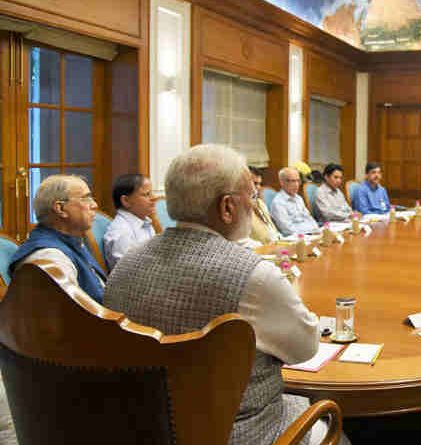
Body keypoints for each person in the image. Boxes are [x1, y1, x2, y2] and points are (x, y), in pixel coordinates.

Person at [103, 145, 336, 445]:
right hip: (237, 433)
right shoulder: (255, 275)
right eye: (251, 197)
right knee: (336, 429)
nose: (253, 207)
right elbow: (305, 348)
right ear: (227, 207)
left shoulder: (124, 266)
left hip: (141, 429)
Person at [8, 175, 106, 303]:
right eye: (85, 198)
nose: (94, 205)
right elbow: (68, 314)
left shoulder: (73, 241)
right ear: (60, 208)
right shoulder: (50, 257)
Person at [103, 174, 157, 269]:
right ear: (126, 201)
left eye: (151, 193)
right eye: (146, 194)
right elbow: (127, 273)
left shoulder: (145, 222)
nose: (154, 198)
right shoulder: (121, 232)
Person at [269, 167, 320, 236]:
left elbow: (309, 218)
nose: (296, 185)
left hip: (309, 234)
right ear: (282, 182)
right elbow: (288, 230)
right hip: (294, 239)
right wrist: (310, 231)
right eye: (292, 181)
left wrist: (315, 229)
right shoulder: (278, 202)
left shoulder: (298, 198)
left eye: (298, 181)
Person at [248, 166, 280, 244]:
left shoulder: (260, 203)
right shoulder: (238, 207)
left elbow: (271, 228)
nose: (258, 187)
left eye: (260, 184)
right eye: (255, 183)